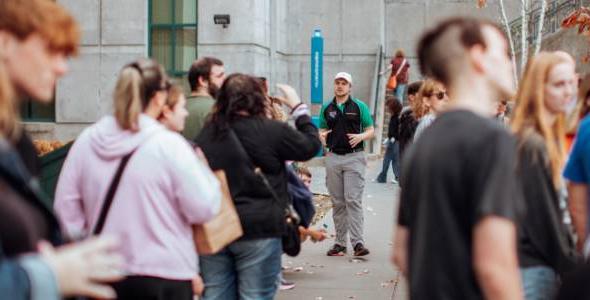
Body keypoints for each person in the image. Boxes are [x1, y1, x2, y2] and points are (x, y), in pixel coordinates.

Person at [54, 59, 222, 300]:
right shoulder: (169, 145)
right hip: (166, 273)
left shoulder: (87, 141)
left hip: (104, 274)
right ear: (158, 98)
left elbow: (65, 211)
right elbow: (203, 207)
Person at [0, 0, 126, 299]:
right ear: (5, 42)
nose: (62, 68)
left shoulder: (15, 144)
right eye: (51, 50)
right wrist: (46, 275)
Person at [393, 17, 524, 299]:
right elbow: (494, 266)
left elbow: (402, 251)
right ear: (478, 57)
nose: (510, 64)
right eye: (504, 54)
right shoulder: (492, 139)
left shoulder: (424, 142)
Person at [196, 74, 321, 300]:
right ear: (256, 99)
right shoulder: (271, 131)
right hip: (260, 227)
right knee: (256, 296)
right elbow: (310, 146)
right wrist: (298, 108)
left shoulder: (208, 134)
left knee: (215, 294)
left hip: (218, 226)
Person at [511, 52, 580, 299]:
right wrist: (576, 269)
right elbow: (544, 222)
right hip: (533, 269)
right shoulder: (532, 145)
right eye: (559, 84)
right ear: (538, 89)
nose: (569, 91)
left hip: (540, 267)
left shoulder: (546, 140)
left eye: (572, 82)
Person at [319, 72, 374, 257]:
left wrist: (360, 136)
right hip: (333, 157)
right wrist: (322, 135)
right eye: (337, 83)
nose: (340, 86)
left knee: (353, 200)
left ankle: (358, 243)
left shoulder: (360, 106)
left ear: (350, 87)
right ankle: (340, 244)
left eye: (344, 83)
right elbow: (322, 127)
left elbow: (370, 129)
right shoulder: (327, 107)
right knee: (338, 202)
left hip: (354, 157)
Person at [182, 57, 225, 140]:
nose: (224, 81)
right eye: (220, 76)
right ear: (203, 81)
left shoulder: (176, 107)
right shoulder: (217, 109)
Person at [376, 96, 402, 184]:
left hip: (396, 142)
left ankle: (397, 177)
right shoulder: (393, 116)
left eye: (389, 106)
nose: (387, 108)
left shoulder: (398, 117)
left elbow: (399, 130)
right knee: (386, 159)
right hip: (391, 140)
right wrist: (389, 138)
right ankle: (382, 177)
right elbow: (391, 130)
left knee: (395, 160)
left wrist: (394, 137)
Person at [397, 81, 423, 160]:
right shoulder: (410, 118)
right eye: (423, 94)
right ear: (412, 97)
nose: (426, 98)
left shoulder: (408, 115)